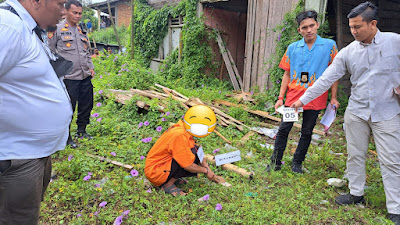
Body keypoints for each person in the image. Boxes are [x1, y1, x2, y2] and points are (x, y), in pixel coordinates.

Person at [291, 2, 400, 223]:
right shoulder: (348, 52)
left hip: (387, 111)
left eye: (358, 27)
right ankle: (356, 193)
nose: (353, 31)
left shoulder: (394, 42)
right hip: (357, 111)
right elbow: (326, 79)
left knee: (391, 161)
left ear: (373, 24)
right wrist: (301, 101)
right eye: (351, 27)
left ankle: (395, 208)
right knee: (355, 155)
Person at [0, 0, 72, 224]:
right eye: (60, 4)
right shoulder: (8, 27)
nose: (64, 11)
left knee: (25, 214)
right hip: (16, 156)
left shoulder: (27, 28)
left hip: (33, 152)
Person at [266, 10, 339, 174]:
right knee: (284, 129)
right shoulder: (293, 48)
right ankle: (275, 163)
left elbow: (334, 74)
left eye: (312, 25)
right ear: (299, 30)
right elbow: (286, 73)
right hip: (293, 98)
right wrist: (280, 97)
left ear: (317, 25)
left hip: (316, 98)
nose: (309, 30)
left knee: (307, 131)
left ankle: (297, 164)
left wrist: (333, 97)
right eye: (304, 27)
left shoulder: (329, 46)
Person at [145, 105, 223, 196]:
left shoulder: (184, 128)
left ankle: (172, 177)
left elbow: (198, 151)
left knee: (194, 151)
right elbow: (188, 165)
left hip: (160, 166)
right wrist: (205, 170)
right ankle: (167, 184)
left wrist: (209, 170)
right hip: (155, 172)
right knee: (187, 158)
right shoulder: (179, 135)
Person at [49, 0, 96, 148]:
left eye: (80, 13)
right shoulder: (56, 29)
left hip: (85, 75)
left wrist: (91, 67)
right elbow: (50, 51)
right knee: (68, 108)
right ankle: (67, 137)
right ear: (66, 11)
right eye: (74, 12)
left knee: (86, 104)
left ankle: (81, 130)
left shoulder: (82, 30)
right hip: (68, 77)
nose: (78, 16)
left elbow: (86, 51)